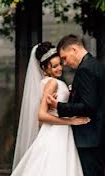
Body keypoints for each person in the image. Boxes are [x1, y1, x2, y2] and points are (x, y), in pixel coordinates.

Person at [11, 41, 90, 176]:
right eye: (54, 66)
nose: (60, 68)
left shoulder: (50, 82)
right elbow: (41, 116)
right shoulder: (52, 83)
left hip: (59, 132)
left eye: (60, 64)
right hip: (56, 133)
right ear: (44, 68)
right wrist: (70, 121)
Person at [47, 34, 105, 176]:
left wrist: (58, 106)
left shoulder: (85, 69)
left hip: (91, 137)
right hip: (101, 134)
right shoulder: (96, 65)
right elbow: (95, 99)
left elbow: (89, 107)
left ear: (74, 49)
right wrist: (74, 94)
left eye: (64, 58)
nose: (65, 63)